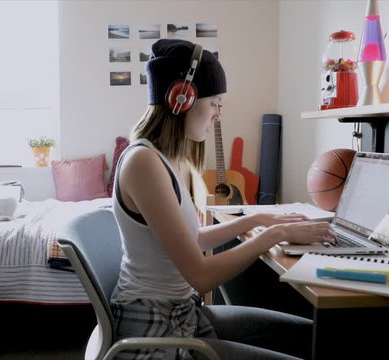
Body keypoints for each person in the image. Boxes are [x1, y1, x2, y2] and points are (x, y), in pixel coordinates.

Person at [110, 39, 336, 360]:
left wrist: (258, 219)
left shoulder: (165, 158)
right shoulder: (143, 163)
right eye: (214, 102)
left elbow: (194, 239)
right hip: (156, 332)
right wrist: (276, 234)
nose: (217, 114)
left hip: (182, 316)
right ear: (181, 99)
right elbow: (200, 274)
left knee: (313, 336)